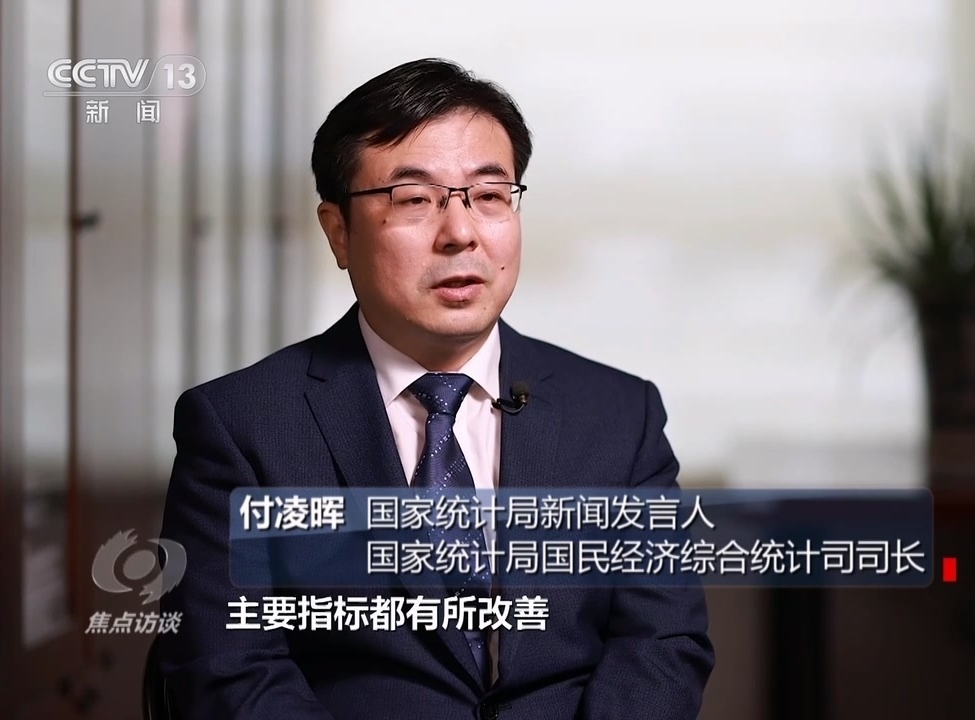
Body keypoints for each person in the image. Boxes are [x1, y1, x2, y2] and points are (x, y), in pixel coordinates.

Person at [156, 57, 715, 719]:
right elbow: (229, 670)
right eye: (414, 200)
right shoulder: (241, 425)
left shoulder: (620, 414)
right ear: (338, 232)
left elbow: (662, 643)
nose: (461, 234)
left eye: (490, 195)